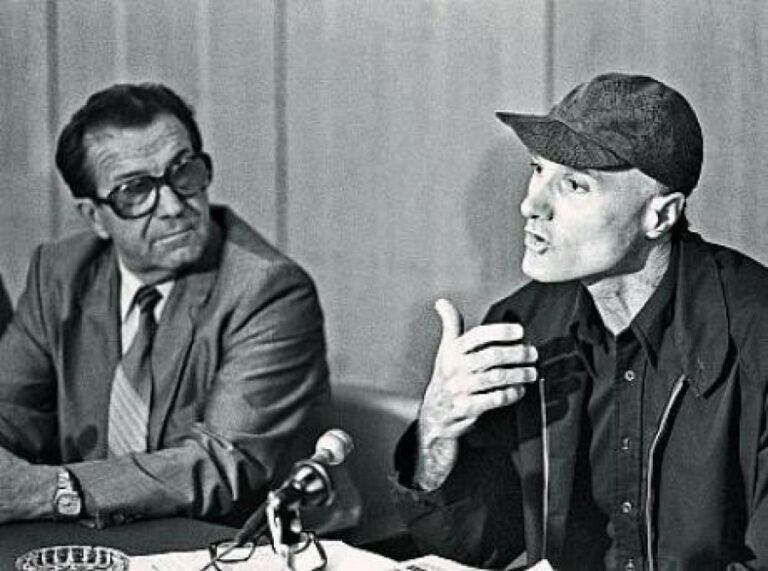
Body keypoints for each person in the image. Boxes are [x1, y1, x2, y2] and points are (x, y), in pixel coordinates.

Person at [391, 73, 768, 570]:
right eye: (537, 169)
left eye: (573, 184)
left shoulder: (757, 334)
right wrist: (437, 432)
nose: (531, 205)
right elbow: (477, 548)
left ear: (660, 216)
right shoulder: (522, 326)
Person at [0, 83, 330, 529]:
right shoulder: (58, 274)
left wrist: (54, 491)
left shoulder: (268, 290)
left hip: (237, 541)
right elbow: (10, 414)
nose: (174, 206)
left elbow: (222, 465)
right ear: (95, 216)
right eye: (136, 190)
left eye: (183, 171)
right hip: (99, 539)